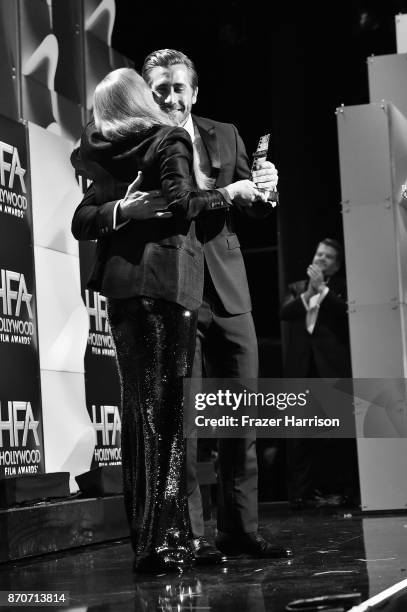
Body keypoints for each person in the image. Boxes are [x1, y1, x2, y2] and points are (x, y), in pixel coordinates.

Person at [73, 49, 289, 563]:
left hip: (228, 287)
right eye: (160, 89)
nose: (171, 97)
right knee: (180, 422)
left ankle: (240, 532)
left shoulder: (226, 134)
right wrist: (124, 208)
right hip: (169, 290)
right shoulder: (130, 137)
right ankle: (187, 538)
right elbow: (88, 214)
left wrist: (268, 191)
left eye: (179, 88)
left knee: (241, 417)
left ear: (195, 92)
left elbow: (252, 206)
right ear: (147, 94)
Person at [280, 238, 359, 508]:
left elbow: (346, 313)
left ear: (335, 266)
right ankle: (301, 494)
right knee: (301, 436)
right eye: (319, 253)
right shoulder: (296, 288)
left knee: (339, 434)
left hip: (333, 370)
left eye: (328, 257)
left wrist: (322, 290)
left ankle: (345, 491)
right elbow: (285, 312)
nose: (321, 259)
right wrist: (308, 292)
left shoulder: (341, 287)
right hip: (303, 371)